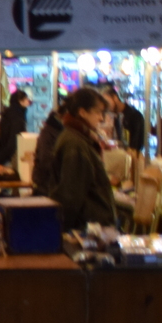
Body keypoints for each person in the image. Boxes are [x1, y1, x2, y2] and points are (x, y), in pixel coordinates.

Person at [50, 86, 117, 231]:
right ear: (82, 112)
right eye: (98, 112)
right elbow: (71, 195)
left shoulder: (78, 137)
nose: (101, 118)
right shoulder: (75, 143)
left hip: (88, 225)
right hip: (86, 227)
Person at [31, 94, 67, 196]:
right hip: (47, 188)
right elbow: (46, 160)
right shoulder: (50, 132)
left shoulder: (60, 131)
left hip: (52, 186)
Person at [0, 89, 31, 177]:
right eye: (26, 99)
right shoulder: (17, 117)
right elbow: (13, 140)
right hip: (11, 156)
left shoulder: (10, 113)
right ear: (20, 101)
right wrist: (2, 159)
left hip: (4, 153)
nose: (28, 101)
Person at [104, 84, 147, 153]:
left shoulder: (134, 115)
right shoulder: (115, 116)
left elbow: (137, 142)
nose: (105, 106)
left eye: (106, 102)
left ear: (115, 98)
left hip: (131, 155)